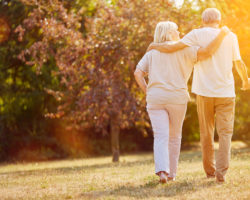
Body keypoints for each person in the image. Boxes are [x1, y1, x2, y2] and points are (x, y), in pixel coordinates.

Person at [147, 8, 250, 182]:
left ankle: (210, 171)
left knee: (206, 133)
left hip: (204, 92)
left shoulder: (196, 34)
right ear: (219, 20)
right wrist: (245, 80)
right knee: (225, 133)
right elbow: (238, 62)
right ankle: (221, 172)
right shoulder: (230, 36)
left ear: (203, 20)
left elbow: (174, 46)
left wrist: (155, 45)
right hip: (226, 92)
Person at [134, 21, 229, 183]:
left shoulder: (152, 51)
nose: (180, 33)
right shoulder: (186, 50)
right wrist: (221, 34)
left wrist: (148, 91)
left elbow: (138, 73)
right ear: (170, 33)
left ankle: (162, 172)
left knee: (160, 136)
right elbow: (207, 52)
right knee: (175, 136)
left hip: (155, 98)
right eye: (177, 30)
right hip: (177, 98)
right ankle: (172, 174)